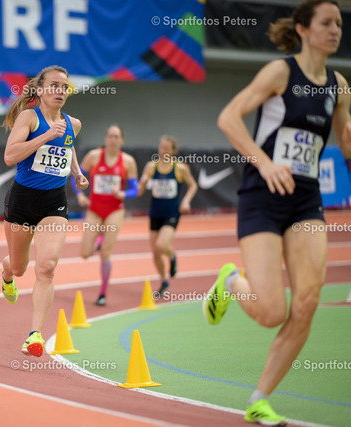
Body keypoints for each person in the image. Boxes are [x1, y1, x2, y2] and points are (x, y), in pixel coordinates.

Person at [206, 1, 351, 425]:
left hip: (306, 198)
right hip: (262, 195)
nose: (335, 30)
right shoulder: (279, 73)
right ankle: (230, 281)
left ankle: (260, 399)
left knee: (307, 301)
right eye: (326, 23)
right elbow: (229, 118)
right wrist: (265, 163)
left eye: (339, 23)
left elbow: (345, 140)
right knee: (271, 312)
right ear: (303, 29)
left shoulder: (339, 86)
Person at [0, 65, 89, 357]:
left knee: (47, 267)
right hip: (22, 201)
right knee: (19, 267)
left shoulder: (73, 124)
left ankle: (34, 335)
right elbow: (9, 156)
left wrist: (77, 172)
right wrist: (45, 135)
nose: (60, 91)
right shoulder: (29, 118)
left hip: (54, 202)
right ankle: (7, 273)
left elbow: (68, 146)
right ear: (39, 90)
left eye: (64, 87)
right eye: (54, 85)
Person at [75, 124, 139, 306]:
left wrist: (123, 194)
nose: (113, 140)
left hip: (115, 209)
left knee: (106, 253)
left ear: (122, 140)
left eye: (116, 137)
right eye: (110, 136)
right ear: (105, 139)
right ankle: (98, 240)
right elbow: (76, 176)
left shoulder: (128, 161)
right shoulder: (94, 156)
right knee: (85, 253)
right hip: (94, 208)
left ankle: (102, 293)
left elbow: (135, 189)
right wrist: (80, 195)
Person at [138, 135, 197, 296]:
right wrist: (142, 182)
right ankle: (164, 280)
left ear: (173, 151)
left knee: (161, 245)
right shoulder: (151, 166)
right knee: (155, 252)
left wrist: (186, 201)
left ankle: (172, 256)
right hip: (155, 213)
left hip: (172, 213)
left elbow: (193, 185)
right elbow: (139, 191)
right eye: (161, 147)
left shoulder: (180, 168)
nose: (162, 151)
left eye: (166, 148)